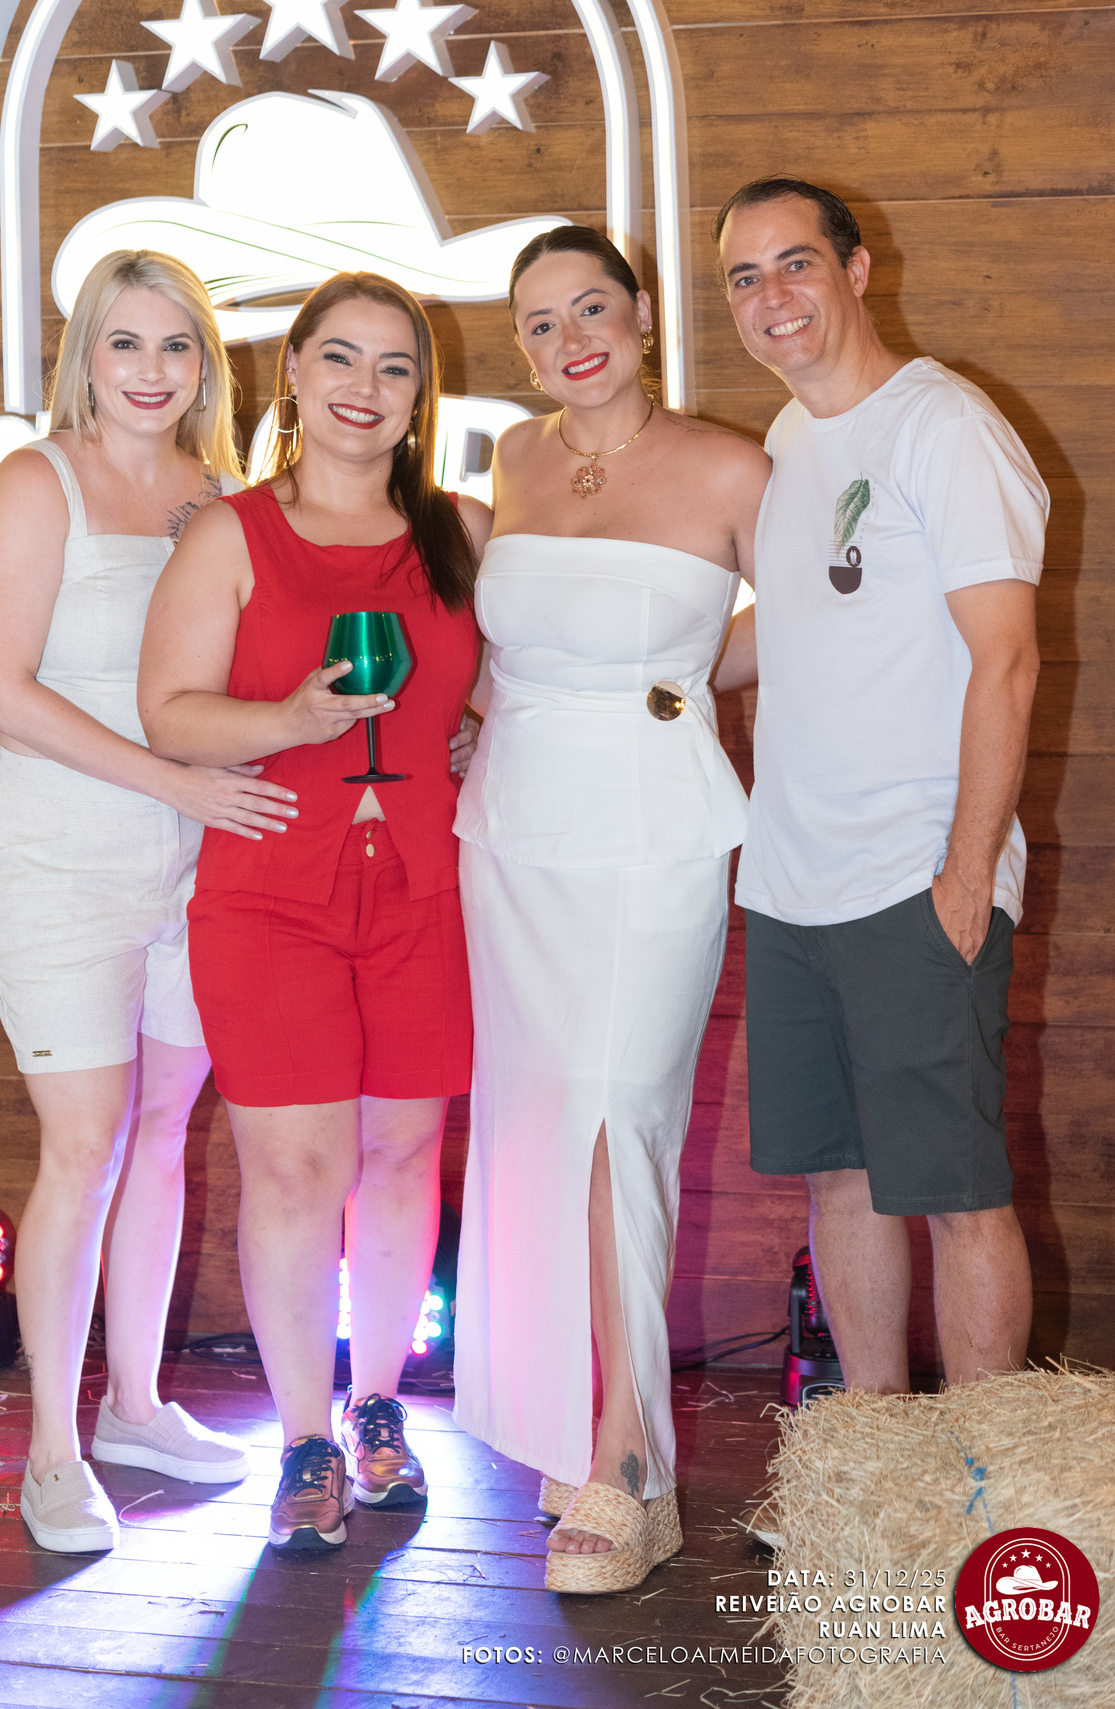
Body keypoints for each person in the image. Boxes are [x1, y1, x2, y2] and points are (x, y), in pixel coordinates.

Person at [138, 272, 488, 1554]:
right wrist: (288, 718)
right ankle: (302, 1437)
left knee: (401, 1157)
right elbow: (169, 712)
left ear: (419, 394)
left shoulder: (465, 532)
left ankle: (377, 1404)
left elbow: (515, 688)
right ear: (292, 370)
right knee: (293, 1167)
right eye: (339, 357)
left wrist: (476, 735)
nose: (364, 387)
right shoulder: (230, 535)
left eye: (394, 367)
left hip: (427, 890)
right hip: (272, 893)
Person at [452, 225, 769, 1593]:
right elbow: (497, 643)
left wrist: (682, 673)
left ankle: (631, 1462)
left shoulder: (733, 466)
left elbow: (818, 616)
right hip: (510, 832)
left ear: (641, 313)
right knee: (538, 1125)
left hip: (655, 832)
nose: (569, 339)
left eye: (591, 308)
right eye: (539, 322)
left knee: (617, 1119)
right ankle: (574, 1421)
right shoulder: (513, 463)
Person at [0, 251, 289, 1553]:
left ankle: (138, 1407)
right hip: (60, 861)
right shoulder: (35, 479)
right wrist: (174, 780)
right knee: (86, 1140)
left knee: (162, 1132)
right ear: (85, 358)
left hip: (199, 866)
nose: (153, 371)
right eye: (126, 344)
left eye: (177, 346)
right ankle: (52, 1451)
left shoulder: (224, 499)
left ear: (208, 364)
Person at [714, 177, 1045, 1399]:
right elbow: (785, 627)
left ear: (856, 271)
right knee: (840, 1178)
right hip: (792, 882)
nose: (773, 296)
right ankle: (877, 1450)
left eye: (796, 263)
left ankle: (984, 1470)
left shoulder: (940, 425)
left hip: (916, 877)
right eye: (745, 277)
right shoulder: (789, 442)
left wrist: (967, 871)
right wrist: (615, 679)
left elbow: (1007, 660)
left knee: (956, 1190)